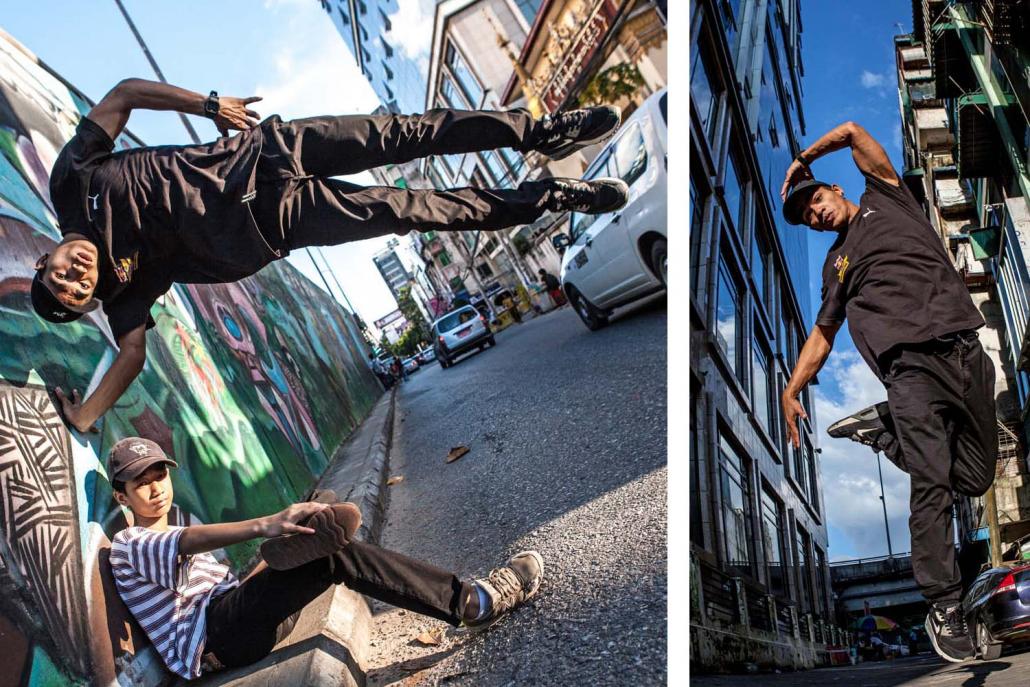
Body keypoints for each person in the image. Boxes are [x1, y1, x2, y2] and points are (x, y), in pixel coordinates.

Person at [35, 78, 629, 432]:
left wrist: (209, 105)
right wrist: (85, 416)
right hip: (279, 223)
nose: (76, 279)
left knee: (407, 133)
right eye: (75, 295)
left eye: (61, 277)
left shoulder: (71, 181)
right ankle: (550, 195)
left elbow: (123, 94)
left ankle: (539, 132)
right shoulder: (122, 292)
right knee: (415, 209)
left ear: (45, 259)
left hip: (269, 151)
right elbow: (132, 355)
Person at [779, 121, 995, 664]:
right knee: (931, 484)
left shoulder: (888, 196)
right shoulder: (837, 266)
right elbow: (822, 335)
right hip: (909, 371)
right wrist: (790, 388)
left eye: (816, 200)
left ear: (838, 189)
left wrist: (803, 158)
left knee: (974, 477)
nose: (815, 213)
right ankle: (945, 604)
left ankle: (882, 433)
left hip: (964, 353)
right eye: (806, 216)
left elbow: (853, 132)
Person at [106, 436, 543, 680]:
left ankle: (296, 543)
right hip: (216, 641)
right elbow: (185, 545)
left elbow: (227, 589)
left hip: (241, 614)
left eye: (158, 473)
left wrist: (269, 556)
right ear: (120, 495)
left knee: (318, 506)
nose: (154, 486)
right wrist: (267, 524)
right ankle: (472, 603)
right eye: (139, 482)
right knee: (335, 555)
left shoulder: (183, 519)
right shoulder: (129, 544)